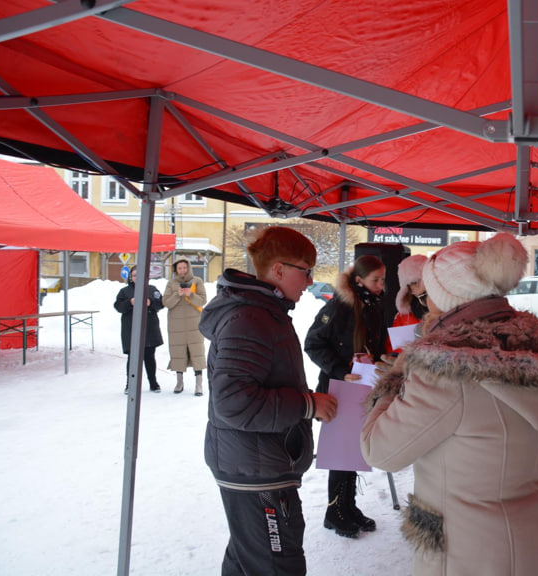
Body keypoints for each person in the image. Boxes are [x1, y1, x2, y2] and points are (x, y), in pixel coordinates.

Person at [360, 233, 538, 576]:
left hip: (466, 551)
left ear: (446, 297)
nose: (425, 305)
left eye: (428, 294)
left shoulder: (445, 372)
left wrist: (394, 380)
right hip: (530, 540)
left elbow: (378, 450)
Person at [198, 225, 338, 576]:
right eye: (305, 272)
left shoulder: (263, 313)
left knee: (251, 560)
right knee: (275, 566)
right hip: (255, 470)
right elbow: (232, 403)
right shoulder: (250, 318)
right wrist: (308, 404)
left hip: (260, 463)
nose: (309, 282)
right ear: (279, 269)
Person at [304, 254, 389, 539]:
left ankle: (347, 506)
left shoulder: (373, 306)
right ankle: (334, 511)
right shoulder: (339, 306)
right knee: (341, 451)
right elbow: (313, 344)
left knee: (353, 449)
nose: (381, 285)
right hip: (339, 388)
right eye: (376, 280)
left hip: (363, 386)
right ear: (358, 280)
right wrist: (341, 371)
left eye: (383, 279)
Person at [114, 265, 164, 393]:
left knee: (149, 357)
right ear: (131, 277)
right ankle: (130, 384)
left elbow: (161, 303)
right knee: (133, 358)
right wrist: (129, 303)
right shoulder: (124, 292)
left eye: (140, 275)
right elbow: (118, 306)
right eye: (135, 275)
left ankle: (153, 383)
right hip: (131, 330)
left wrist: (150, 303)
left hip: (149, 329)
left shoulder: (152, 289)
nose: (137, 277)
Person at [163, 258, 207, 396]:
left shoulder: (197, 281)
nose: (182, 270)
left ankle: (199, 384)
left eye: (184, 267)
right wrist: (178, 294)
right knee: (178, 353)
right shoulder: (171, 283)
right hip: (176, 325)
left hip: (194, 324)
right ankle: (179, 382)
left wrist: (190, 294)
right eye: (179, 268)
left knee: (196, 352)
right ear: (175, 269)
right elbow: (166, 302)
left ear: (188, 268)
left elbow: (203, 300)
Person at [388, 254, 428, 353]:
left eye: (416, 282)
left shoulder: (442, 308)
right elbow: (393, 348)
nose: (414, 287)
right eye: (410, 284)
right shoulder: (403, 316)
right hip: (409, 364)